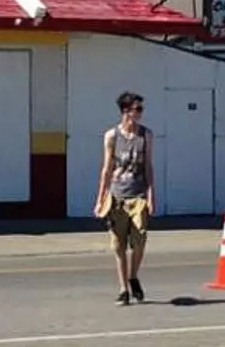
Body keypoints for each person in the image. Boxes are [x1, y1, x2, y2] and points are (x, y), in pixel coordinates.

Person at [93, 91, 155, 305]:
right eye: (137, 109)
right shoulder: (112, 136)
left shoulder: (146, 135)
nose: (140, 113)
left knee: (140, 240)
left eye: (141, 109)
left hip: (137, 196)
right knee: (118, 245)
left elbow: (148, 167)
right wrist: (100, 198)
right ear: (125, 111)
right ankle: (123, 289)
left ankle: (133, 275)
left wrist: (151, 195)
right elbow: (107, 168)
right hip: (117, 196)